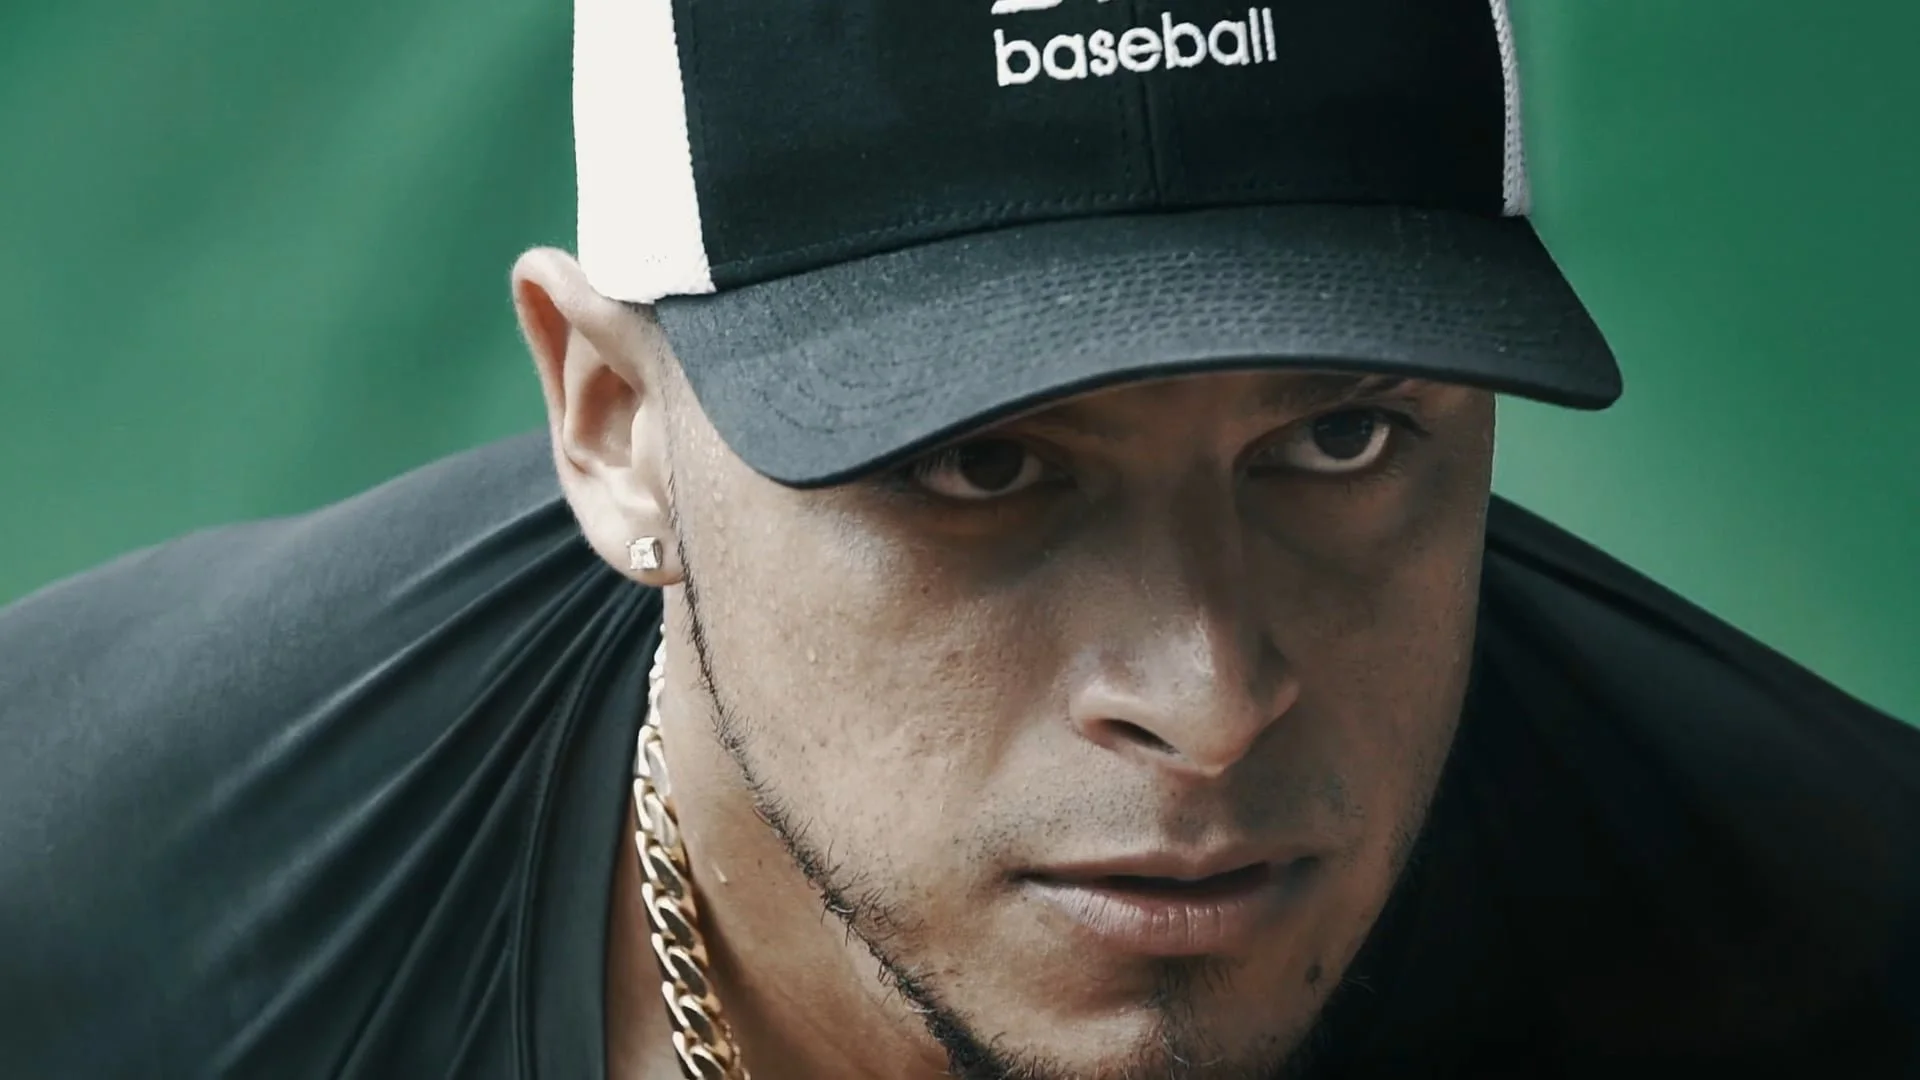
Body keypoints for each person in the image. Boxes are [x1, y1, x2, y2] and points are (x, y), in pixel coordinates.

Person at [2, 0, 1916, 1077]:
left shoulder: (1834, 958)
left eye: (1338, 437)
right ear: (613, 424)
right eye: (980, 464)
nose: (1210, 696)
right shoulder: (90, 895)